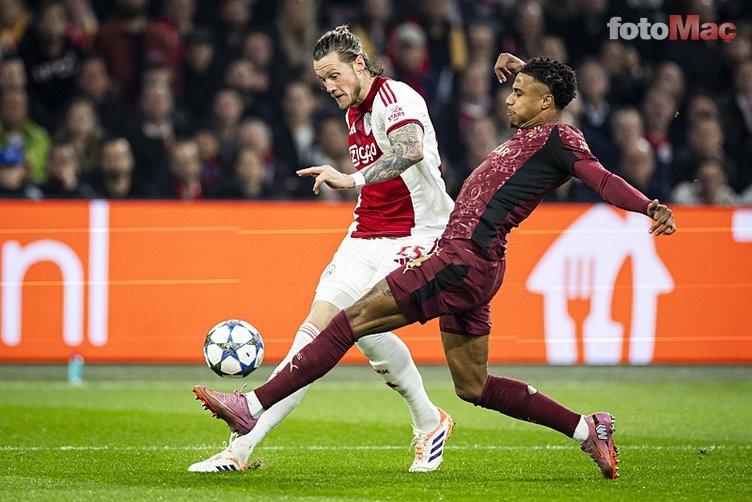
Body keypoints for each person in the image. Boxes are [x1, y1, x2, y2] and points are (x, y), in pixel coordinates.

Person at [195, 53, 678, 480]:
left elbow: (602, 179)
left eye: (519, 93)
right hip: (475, 262)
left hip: (460, 259)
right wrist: (521, 67)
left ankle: (252, 404)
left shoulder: (561, 139)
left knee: (349, 321)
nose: (508, 99)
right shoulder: (534, 129)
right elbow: (543, 84)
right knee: (473, 385)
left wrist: (647, 206)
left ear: (547, 102)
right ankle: (588, 429)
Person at [189, 25, 456, 473]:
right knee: (313, 333)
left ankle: (428, 422)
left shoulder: (396, 98)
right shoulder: (353, 110)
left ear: (359, 64)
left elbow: (410, 151)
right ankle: (240, 450)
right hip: (366, 233)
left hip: (417, 234)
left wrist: (350, 178)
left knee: (362, 326)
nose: (329, 87)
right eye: (321, 80)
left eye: (334, 75)